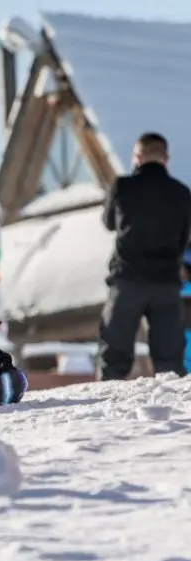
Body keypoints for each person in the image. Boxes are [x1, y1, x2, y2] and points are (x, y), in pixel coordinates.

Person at [97, 132, 191, 381]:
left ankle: (103, 416)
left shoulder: (122, 186)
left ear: (137, 157)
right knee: (170, 364)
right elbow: (185, 238)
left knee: (114, 359)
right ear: (165, 159)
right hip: (167, 285)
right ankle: (176, 417)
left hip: (127, 280)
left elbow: (108, 223)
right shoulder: (183, 193)